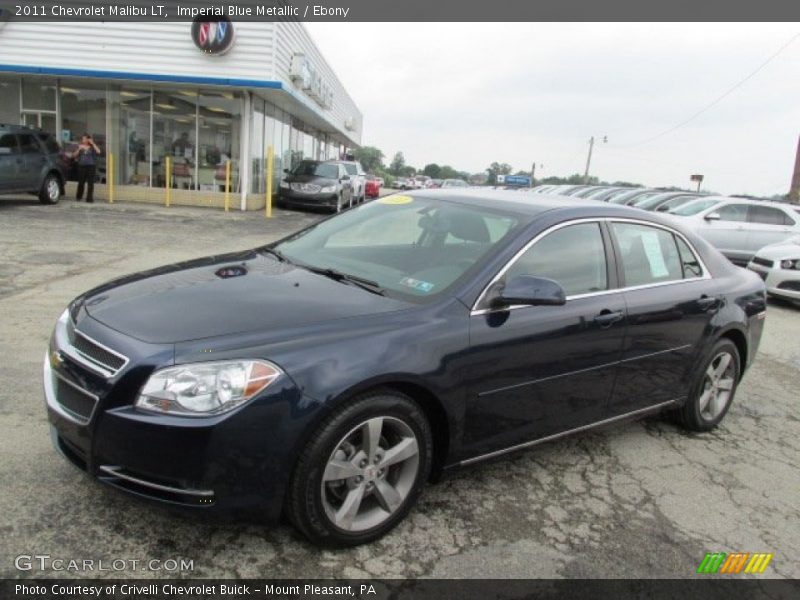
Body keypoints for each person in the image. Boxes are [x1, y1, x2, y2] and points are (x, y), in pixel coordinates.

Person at [73, 133, 101, 203]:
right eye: (83, 139)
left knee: (90, 183)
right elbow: (73, 155)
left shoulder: (92, 147)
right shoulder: (80, 146)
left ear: (88, 139)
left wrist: (93, 143)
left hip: (91, 166)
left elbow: (98, 151)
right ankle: (79, 196)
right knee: (81, 182)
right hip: (82, 166)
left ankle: (89, 198)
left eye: (85, 139)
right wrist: (79, 149)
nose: (83, 140)